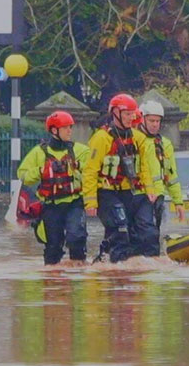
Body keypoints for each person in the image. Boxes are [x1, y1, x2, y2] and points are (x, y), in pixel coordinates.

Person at [83, 93, 159, 263]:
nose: (131, 118)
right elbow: (90, 171)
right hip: (108, 192)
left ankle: (141, 266)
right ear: (115, 113)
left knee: (146, 232)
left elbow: (144, 167)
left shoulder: (138, 138)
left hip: (131, 192)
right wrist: (90, 202)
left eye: (133, 114)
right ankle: (116, 269)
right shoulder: (101, 138)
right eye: (127, 114)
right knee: (120, 228)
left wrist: (150, 189)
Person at [17, 111, 91, 265]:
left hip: (74, 203)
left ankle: (78, 271)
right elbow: (22, 174)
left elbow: (92, 168)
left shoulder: (80, 150)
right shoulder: (39, 152)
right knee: (53, 246)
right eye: (65, 128)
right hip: (51, 205)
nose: (70, 131)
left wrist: (77, 166)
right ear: (54, 130)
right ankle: (53, 281)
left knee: (77, 237)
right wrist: (41, 171)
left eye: (70, 127)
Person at [138, 101, 184, 248]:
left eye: (158, 121)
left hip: (158, 196)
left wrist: (178, 201)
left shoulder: (165, 144)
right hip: (139, 195)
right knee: (144, 234)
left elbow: (171, 175)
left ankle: (152, 263)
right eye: (151, 120)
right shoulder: (136, 141)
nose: (155, 124)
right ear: (142, 119)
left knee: (154, 233)